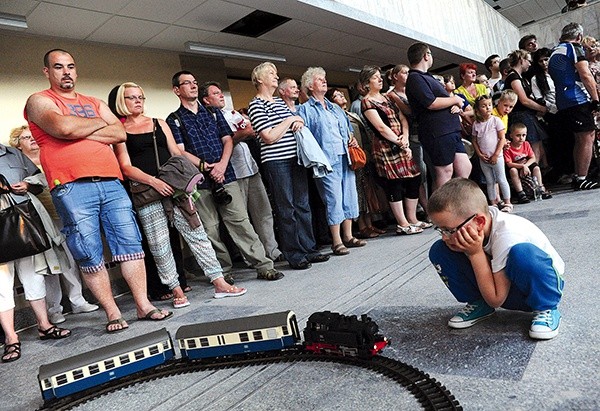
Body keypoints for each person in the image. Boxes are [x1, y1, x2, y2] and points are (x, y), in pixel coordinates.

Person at [24, 49, 172, 333]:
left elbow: (119, 133)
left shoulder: (93, 101)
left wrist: (77, 129)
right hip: (71, 187)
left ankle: (144, 305)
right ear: (47, 72)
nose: (66, 72)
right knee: (88, 252)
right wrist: (94, 126)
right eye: (58, 67)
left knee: (131, 246)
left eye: (70, 66)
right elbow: (62, 127)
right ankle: (113, 313)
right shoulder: (39, 100)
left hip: (111, 183)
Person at [114, 82, 246, 302]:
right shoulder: (120, 131)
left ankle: (218, 281)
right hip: (147, 192)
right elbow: (126, 166)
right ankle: (175, 289)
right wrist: (154, 182)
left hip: (175, 189)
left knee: (197, 234)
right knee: (159, 244)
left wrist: (188, 179)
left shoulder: (159, 123)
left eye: (141, 97)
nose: (138, 101)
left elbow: (176, 152)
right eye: (131, 97)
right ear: (122, 101)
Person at [167, 70, 284, 281]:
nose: (193, 86)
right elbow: (180, 151)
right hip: (198, 183)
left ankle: (263, 265)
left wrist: (221, 165)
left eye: (195, 82)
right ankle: (223, 272)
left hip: (226, 176)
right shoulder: (174, 120)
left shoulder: (213, 112)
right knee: (210, 229)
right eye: (187, 83)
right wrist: (206, 167)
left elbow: (228, 140)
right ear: (177, 90)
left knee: (240, 222)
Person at [428, 178, 564, 340]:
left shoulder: (508, 234)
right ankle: (479, 303)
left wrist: (475, 253)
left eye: (449, 230)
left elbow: (496, 299)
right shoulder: (475, 224)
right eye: (440, 229)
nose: (444, 236)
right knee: (439, 250)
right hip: (498, 287)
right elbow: (494, 298)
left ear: (479, 221)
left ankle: (547, 308)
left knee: (522, 253)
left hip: (537, 288)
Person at [8, 126, 98, 324]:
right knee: (48, 266)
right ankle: (54, 309)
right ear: (17, 143)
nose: (31, 140)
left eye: (33, 136)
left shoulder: (49, 156)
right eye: (25, 137)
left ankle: (77, 300)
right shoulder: (17, 163)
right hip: (36, 221)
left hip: (61, 215)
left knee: (70, 260)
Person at [247, 62, 329, 270]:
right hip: (276, 162)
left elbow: (296, 121)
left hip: (296, 159)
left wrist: (296, 120)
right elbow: (268, 136)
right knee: (286, 209)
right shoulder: (256, 105)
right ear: (259, 80)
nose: (276, 76)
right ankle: (294, 254)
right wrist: (290, 120)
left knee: (303, 205)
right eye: (271, 74)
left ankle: (309, 249)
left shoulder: (279, 103)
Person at [1, 142, 72, 362]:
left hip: (23, 221)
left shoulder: (12, 153)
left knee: (34, 276)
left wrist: (27, 185)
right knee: (2, 285)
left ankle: (44, 325)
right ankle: (11, 338)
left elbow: (39, 180)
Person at [199, 81, 283, 262]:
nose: (221, 95)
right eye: (215, 93)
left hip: (251, 169)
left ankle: (272, 250)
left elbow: (251, 129)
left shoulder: (232, 113)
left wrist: (246, 131)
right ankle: (250, 256)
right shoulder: (209, 119)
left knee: (263, 212)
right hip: (233, 174)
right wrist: (242, 133)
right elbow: (223, 142)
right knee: (241, 218)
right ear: (206, 100)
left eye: (221, 92)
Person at [298, 67, 364, 256]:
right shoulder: (305, 110)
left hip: (345, 156)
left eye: (324, 78)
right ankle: (336, 241)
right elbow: (306, 138)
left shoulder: (335, 108)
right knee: (333, 199)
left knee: (349, 195)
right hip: (326, 160)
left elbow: (346, 129)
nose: (324, 81)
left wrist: (351, 137)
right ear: (310, 86)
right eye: (319, 79)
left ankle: (349, 236)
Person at [360, 65, 431, 235]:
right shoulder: (367, 101)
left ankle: (413, 218)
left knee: (414, 179)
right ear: (366, 83)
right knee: (395, 184)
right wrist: (401, 143)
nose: (380, 79)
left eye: (379, 76)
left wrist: (405, 138)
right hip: (386, 146)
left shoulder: (388, 98)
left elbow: (402, 118)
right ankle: (402, 223)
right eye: (375, 77)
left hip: (401, 143)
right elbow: (380, 127)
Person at [406, 43, 472, 190]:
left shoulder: (425, 77)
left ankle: (456, 203)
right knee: (445, 171)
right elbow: (430, 103)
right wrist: (454, 100)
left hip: (449, 130)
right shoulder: (415, 78)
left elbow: (440, 100)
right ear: (426, 55)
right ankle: (440, 210)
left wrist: (453, 104)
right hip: (437, 131)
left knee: (464, 167)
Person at [549, 23, 600, 190]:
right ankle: (582, 177)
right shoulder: (574, 48)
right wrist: (595, 100)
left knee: (580, 138)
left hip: (563, 100)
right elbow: (585, 75)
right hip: (576, 99)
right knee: (587, 136)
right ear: (579, 37)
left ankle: (580, 175)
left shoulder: (555, 51)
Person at [387, 64, 429, 216]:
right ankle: (423, 208)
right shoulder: (390, 95)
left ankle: (426, 206)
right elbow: (407, 114)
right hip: (409, 138)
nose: (407, 75)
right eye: (404, 73)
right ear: (395, 76)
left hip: (423, 134)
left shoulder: (411, 91)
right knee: (418, 173)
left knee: (427, 173)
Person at [504, 49, 549, 170]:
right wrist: (542, 108)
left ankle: (537, 176)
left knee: (537, 146)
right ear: (521, 60)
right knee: (533, 148)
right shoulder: (513, 77)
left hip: (527, 114)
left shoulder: (520, 77)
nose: (530, 63)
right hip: (521, 115)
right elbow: (523, 99)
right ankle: (533, 178)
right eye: (528, 60)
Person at [471, 95, 512, 212]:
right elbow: (474, 140)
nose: (488, 108)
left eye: (489, 105)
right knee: (489, 181)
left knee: (501, 179)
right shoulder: (476, 124)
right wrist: (479, 154)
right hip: (484, 158)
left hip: (496, 156)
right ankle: (493, 202)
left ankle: (507, 202)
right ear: (478, 110)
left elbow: (502, 138)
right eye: (484, 106)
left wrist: (496, 154)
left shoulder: (496, 120)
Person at [504, 123, 552, 203]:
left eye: (524, 135)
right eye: (518, 135)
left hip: (526, 165)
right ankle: (521, 193)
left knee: (536, 168)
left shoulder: (526, 144)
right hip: (516, 166)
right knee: (513, 170)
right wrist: (522, 166)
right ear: (511, 135)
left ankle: (540, 188)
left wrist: (525, 166)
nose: (521, 138)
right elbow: (509, 163)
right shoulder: (508, 148)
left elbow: (533, 158)